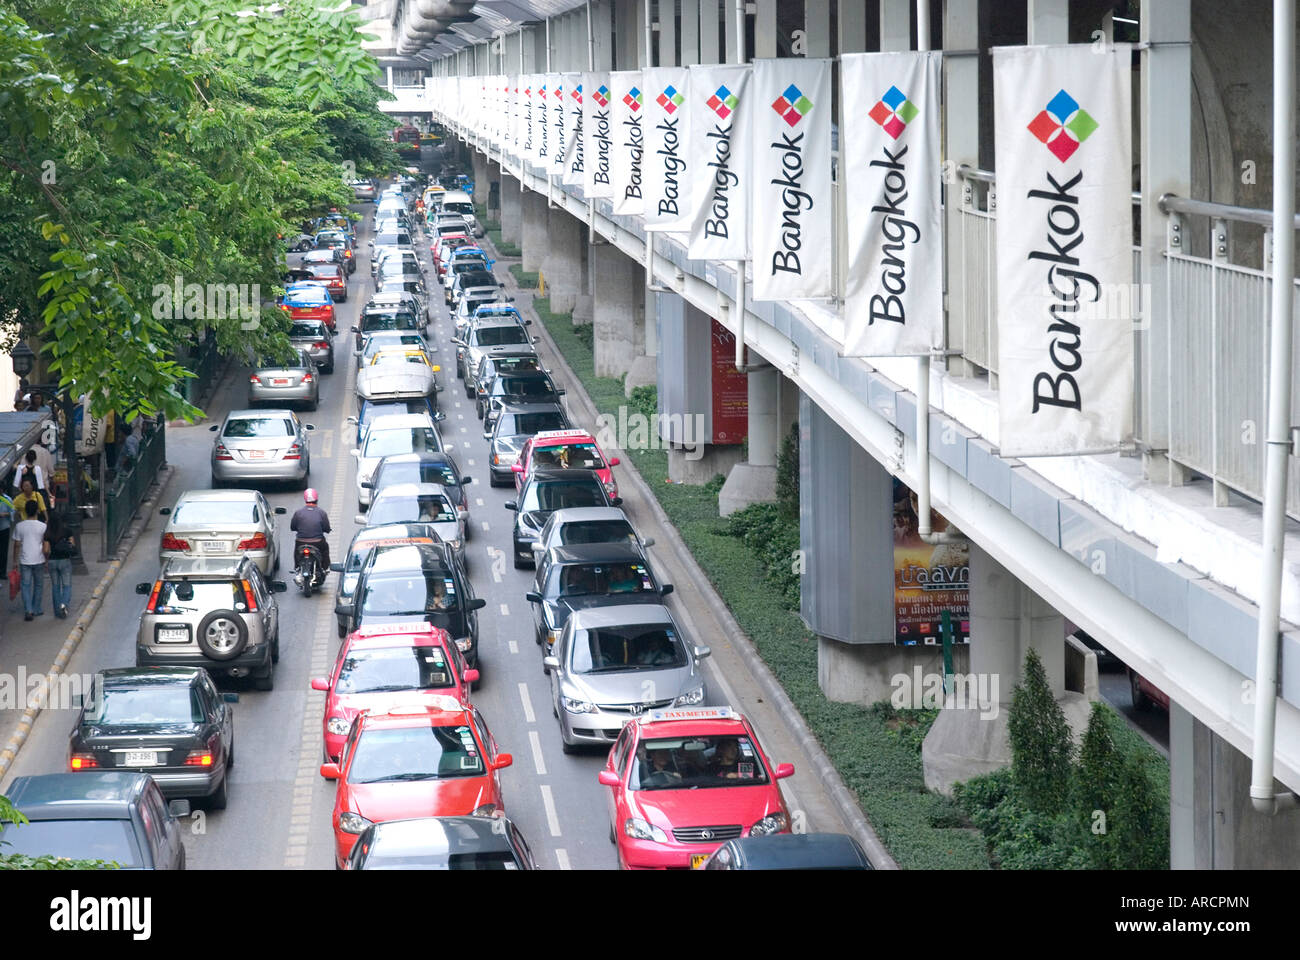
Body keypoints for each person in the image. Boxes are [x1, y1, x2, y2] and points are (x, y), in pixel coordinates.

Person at [12, 500, 48, 620]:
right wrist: (47, 559)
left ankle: (28, 609)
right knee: (38, 585)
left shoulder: (19, 526)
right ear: (37, 510)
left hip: (25, 560)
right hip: (39, 559)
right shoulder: (43, 526)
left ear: (25, 511)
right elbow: (45, 545)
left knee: (26, 586)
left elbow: (17, 545)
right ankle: (36, 608)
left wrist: (14, 561)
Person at [290, 488, 332, 581]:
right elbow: (326, 528)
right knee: (325, 549)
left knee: (297, 552)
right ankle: (325, 568)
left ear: (305, 499)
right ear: (316, 499)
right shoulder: (322, 513)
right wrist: (327, 530)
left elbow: (293, 527)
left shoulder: (298, 513)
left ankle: (297, 567)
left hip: (301, 542)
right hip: (318, 542)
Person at [44, 508, 75, 619]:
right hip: (65, 561)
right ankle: (64, 604)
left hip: (52, 561)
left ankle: (57, 612)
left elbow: (46, 550)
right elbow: (72, 545)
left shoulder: (47, 533)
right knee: (67, 585)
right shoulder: (67, 531)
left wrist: (46, 561)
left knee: (55, 586)